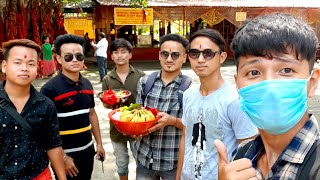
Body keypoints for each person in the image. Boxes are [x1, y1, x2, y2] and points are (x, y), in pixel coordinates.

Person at [214, 13, 320, 180]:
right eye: (254, 72)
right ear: (238, 85)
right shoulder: (242, 156)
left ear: (312, 82)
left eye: (286, 70)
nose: (270, 87)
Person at [176, 29, 258, 180]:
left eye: (208, 53)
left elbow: (248, 151)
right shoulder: (188, 95)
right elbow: (185, 139)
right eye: (195, 53)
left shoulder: (234, 101)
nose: (200, 59)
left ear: (222, 57)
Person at [40, 34, 105, 180]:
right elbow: (45, 129)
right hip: (66, 156)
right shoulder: (49, 89)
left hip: (88, 151)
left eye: (79, 56)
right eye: (68, 57)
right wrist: (62, 157)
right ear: (58, 59)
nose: (75, 60)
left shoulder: (88, 84)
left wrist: (99, 144)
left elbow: (92, 114)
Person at [0, 39, 66, 179]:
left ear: (38, 68)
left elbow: (53, 145)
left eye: (31, 64)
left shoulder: (46, 105)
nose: (24, 68)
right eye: (17, 62)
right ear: (4, 66)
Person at [134, 34, 190, 180]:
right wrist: (134, 129)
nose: (169, 59)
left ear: (184, 58)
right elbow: (136, 115)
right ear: (159, 55)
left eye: (175, 55)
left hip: (172, 161)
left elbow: (193, 127)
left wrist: (172, 121)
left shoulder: (190, 88)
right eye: (165, 54)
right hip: (144, 157)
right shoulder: (145, 82)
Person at [102, 38, 145, 180]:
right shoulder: (107, 79)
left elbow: (146, 101)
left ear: (130, 55)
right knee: (121, 162)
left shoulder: (141, 76)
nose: (120, 55)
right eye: (116, 52)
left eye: (123, 52)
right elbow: (105, 103)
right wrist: (110, 103)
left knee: (141, 161)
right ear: (111, 56)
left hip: (137, 126)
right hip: (117, 127)